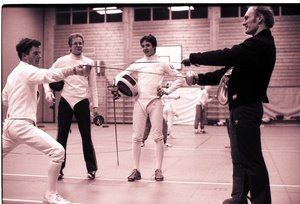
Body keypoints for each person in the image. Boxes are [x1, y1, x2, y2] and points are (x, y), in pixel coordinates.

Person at [182, 6, 275, 204]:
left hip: (247, 109)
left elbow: (227, 55)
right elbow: (225, 72)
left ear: (259, 19)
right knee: (239, 158)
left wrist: (194, 58)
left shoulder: (259, 44)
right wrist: (197, 78)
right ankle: (239, 197)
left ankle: (262, 201)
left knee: (252, 159)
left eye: (247, 17)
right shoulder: (253, 48)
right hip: (238, 108)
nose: (244, 21)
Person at [2, 38, 91, 204]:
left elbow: (4, 99)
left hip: (9, 125)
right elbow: (48, 75)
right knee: (58, 151)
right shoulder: (27, 70)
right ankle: (50, 195)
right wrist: (73, 70)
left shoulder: (13, 74)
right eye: (35, 53)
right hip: (21, 126)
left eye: (39, 53)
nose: (39, 56)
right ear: (24, 55)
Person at [115, 34, 185, 182]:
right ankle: (136, 170)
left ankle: (158, 170)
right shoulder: (138, 63)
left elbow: (180, 78)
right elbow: (119, 76)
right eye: (143, 46)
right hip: (139, 102)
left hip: (155, 102)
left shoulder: (162, 63)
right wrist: (119, 88)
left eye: (147, 45)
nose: (145, 48)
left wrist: (167, 90)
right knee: (136, 137)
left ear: (154, 46)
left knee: (158, 136)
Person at [44, 33, 98, 180]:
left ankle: (91, 169)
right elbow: (46, 77)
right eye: (75, 43)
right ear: (70, 45)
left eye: (80, 43)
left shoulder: (89, 62)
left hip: (82, 101)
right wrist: (48, 91)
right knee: (61, 136)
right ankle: (59, 169)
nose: (78, 45)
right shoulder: (62, 61)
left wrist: (95, 105)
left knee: (86, 136)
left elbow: (93, 85)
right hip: (66, 100)